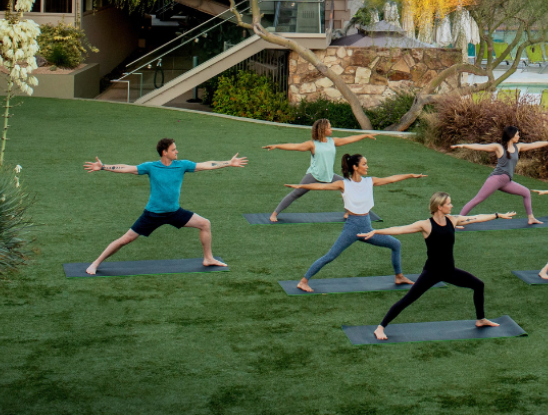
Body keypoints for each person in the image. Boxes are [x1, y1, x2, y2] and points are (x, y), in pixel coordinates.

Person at [82, 138, 248, 275]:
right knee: (126, 239)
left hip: (174, 212)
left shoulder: (182, 165)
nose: (177, 152)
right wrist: (103, 167)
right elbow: (128, 168)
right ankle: (96, 263)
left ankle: (208, 258)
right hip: (152, 214)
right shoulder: (151, 167)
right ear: (164, 152)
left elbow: (206, 164)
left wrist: (228, 163)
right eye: (174, 149)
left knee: (205, 224)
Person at [361, 192, 511, 340]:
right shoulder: (425, 225)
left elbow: (476, 218)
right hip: (431, 272)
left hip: (450, 271)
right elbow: (400, 229)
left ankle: (481, 319)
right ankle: (380, 328)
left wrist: (497, 215)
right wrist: (376, 231)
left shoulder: (453, 220)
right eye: (448, 204)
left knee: (478, 285)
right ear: (439, 207)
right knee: (408, 299)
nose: (451, 205)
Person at [287, 153, 426, 292]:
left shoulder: (369, 181)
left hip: (366, 227)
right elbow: (321, 187)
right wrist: (298, 186)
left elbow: (391, 179)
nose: (367, 166)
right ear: (355, 167)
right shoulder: (344, 184)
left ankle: (399, 276)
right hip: (352, 228)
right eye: (364, 164)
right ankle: (303, 281)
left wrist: (410, 175)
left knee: (395, 244)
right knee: (330, 256)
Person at [263, 120, 376, 221]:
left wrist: (365, 135)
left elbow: (349, 139)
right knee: (296, 194)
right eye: (329, 127)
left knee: (348, 187)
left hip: (329, 176)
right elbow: (294, 146)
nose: (331, 129)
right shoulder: (312, 144)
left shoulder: (333, 141)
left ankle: (348, 212)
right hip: (314, 175)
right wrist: (277, 146)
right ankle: (274, 214)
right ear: (323, 130)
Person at [451, 127, 548, 225]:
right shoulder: (499, 147)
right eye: (517, 134)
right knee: (478, 199)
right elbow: (480, 146)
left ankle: (531, 218)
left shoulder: (518, 147)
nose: (519, 136)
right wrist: (463, 145)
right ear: (511, 135)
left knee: (526, 192)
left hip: (506, 182)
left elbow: (534, 145)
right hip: (496, 179)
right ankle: (458, 221)